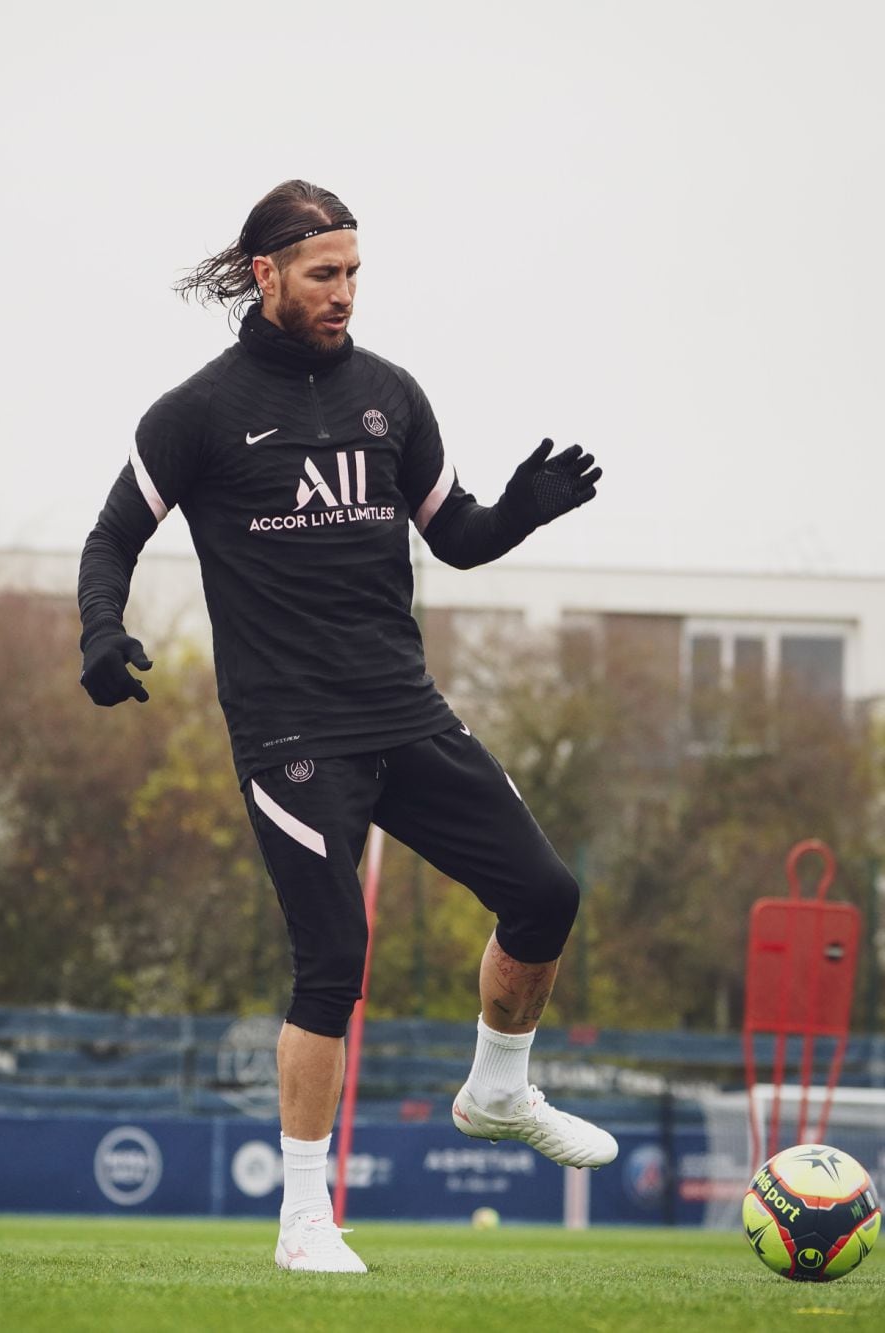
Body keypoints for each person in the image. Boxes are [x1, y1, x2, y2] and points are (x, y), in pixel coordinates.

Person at [78, 181, 617, 1273]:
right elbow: (110, 539)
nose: (344, 293)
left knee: (546, 894)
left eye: (355, 272)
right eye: (324, 274)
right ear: (265, 273)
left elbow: (455, 537)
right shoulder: (194, 413)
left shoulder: (391, 397)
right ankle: (305, 1220)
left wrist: (518, 509)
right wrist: (100, 633)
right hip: (290, 731)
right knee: (333, 961)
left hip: (403, 711)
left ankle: (496, 1090)